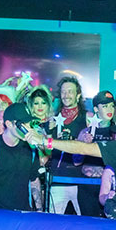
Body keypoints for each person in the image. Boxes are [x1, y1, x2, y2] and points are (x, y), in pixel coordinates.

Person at [0, 103, 42, 211]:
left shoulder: (31, 149)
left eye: (28, 123)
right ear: (9, 124)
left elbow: (34, 181)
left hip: (22, 213)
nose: (28, 128)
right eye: (23, 124)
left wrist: (39, 210)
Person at [74, 90, 116, 217]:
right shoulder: (86, 132)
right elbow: (76, 162)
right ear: (96, 109)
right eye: (105, 106)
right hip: (87, 186)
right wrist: (84, 145)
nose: (109, 109)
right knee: (88, 224)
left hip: (110, 188)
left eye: (111, 105)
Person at [49, 76, 88, 214]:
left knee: (85, 223)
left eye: (70, 91)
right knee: (53, 222)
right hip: (58, 179)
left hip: (81, 181)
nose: (66, 95)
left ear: (78, 95)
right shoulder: (53, 119)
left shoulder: (87, 118)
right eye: (63, 92)